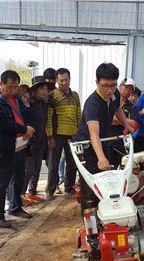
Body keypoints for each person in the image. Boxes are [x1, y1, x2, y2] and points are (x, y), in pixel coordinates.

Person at [75, 63, 134, 214]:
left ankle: (105, 213)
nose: (109, 90)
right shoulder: (92, 104)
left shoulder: (114, 96)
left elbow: (117, 108)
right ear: (97, 83)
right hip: (88, 147)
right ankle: (89, 219)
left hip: (103, 142)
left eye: (113, 85)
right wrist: (101, 158)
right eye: (105, 86)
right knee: (90, 185)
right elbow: (93, 134)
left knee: (106, 182)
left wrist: (126, 124)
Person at [0, 70, 35, 226]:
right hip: (6, 146)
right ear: (1, 84)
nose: (12, 90)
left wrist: (28, 128)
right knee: (1, 181)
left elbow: (26, 117)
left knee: (18, 178)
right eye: (9, 86)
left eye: (15, 87)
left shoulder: (17, 99)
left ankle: (15, 207)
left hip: (21, 145)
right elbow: (3, 123)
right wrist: (24, 129)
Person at [45, 68, 81, 199]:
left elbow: (79, 115)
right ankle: (50, 190)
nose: (63, 83)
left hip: (73, 135)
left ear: (70, 80)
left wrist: (79, 133)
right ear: (57, 81)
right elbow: (48, 117)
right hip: (57, 135)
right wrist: (50, 136)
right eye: (61, 81)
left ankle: (69, 187)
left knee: (72, 163)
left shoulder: (75, 95)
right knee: (53, 163)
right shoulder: (52, 96)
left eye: (66, 80)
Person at [23, 76, 51, 203]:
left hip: (41, 139)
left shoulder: (45, 104)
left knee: (37, 168)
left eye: (46, 89)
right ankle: (21, 193)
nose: (44, 91)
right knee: (28, 169)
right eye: (41, 89)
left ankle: (32, 192)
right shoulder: (29, 102)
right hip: (30, 141)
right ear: (35, 90)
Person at [109, 78, 137, 167]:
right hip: (106, 140)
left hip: (122, 143)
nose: (128, 90)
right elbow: (105, 118)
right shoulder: (109, 100)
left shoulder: (131, 107)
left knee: (122, 168)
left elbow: (133, 124)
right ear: (120, 86)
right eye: (126, 87)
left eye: (130, 89)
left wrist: (115, 118)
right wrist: (124, 121)